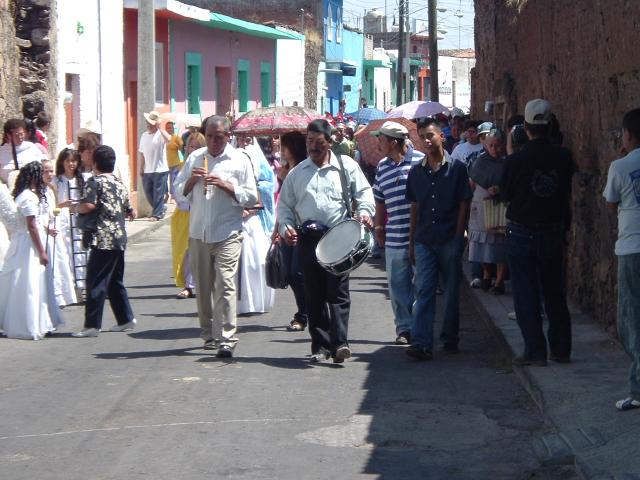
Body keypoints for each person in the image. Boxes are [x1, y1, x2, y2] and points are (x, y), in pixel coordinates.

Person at [277, 119, 375, 364]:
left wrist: (365, 212)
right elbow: (285, 208)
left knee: (339, 293)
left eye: (318, 143)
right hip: (308, 241)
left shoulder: (346, 167)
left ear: (329, 142)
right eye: (309, 142)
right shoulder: (297, 174)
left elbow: (364, 193)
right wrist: (286, 228)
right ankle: (320, 345)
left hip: (339, 239)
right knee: (314, 294)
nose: (313, 148)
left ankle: (340, 343)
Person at [174, 116, 258, 358]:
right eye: (209, 136)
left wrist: (226, 186)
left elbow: (252, 197)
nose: (213, 141)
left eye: (218, 136)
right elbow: (178, 192)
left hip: (227, 232)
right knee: (203, 288)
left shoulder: (239, 160)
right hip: (199, 232)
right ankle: (208, 333)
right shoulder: (194, 158)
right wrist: (191, 181)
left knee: (226, 283)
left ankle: (228, 337)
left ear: (228, 135)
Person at [500, 99, 574, 366]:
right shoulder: (564, 157)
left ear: (526, 127)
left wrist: (510, 152)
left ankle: (535, 350)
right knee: (554, 292)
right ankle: (561, 349)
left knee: (526, 293)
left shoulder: (516, 160)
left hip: (521, 232)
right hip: (552, 231)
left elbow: (505, 194)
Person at [405, 118, 472, 361]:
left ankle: (450, 338)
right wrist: (411, 241)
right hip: (424, 239)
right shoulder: (416, 172)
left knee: (452, 292)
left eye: (430, 135)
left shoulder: (456, 168)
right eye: (422, 136)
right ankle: (422, 342)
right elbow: (415, 207)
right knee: (424, 289)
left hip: (448, 238)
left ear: (441, 136)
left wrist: (459, 236)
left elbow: (464, 203)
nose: (426, 140)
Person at [71, 146, 137, 337]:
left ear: (96, 163)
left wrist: (76, 207)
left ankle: (92, 325)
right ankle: (125, 318)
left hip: (103, 237)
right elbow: (128, 209)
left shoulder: (95, 182)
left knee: (96, 280)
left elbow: (89, 205)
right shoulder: (118, 183)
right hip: (119, 237)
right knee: (114, 280)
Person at [372, 121, 424, 345]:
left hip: (421, 236)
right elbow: (379, 200)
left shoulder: (421, 161)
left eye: (381, 139)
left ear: (393, 142)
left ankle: (420, 326)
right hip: (394, 236)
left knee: (422, 284)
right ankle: (404, 328)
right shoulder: (382, 166)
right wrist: (379, 226)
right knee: (397, 285)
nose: (378, 144)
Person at [603, 108, 640, 411]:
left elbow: (612, 203)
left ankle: (637, 386)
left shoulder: (620, 166)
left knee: (630, 319)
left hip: (631, 247)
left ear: (628, 135)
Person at [0, 161, 63, 339]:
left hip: (25, 241)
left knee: (30, 282)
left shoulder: (26, 195)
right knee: (30, 282)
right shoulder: (28, 197)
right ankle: (29, 322)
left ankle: (38, 320)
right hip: (28, 245)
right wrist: (42, 251)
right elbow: (31, 226)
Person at [236, 136, 276, 315]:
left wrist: (249, 209)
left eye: (247, 139)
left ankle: (255, 301)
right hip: (234, 220)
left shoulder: (255, 157)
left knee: (256, 262)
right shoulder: (235, 155)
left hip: (252, 220)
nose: (244, 141)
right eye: (240, 138)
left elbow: (265, 191)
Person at [468, 129, 507, 294]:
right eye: (491, 145)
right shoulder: (480, 161)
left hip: (500, 206)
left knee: (500, 244)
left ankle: (499, 282)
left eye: (497, 146)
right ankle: (486, 272)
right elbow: (473, 179)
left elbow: (512, 181)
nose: (494, 149)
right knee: (479, 243)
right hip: (481, 206)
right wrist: (485, 189)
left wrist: (500, 189)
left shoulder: (507, 162)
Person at [277, 131, 309, 331]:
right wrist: (277, 229)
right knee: (289, 273)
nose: (280, 151)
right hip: (285, 226)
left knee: (297, 272)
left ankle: (304, 313)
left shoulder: (302, 171)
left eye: (284, 147)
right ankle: (304, 310)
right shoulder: (285, 170)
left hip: (302, 227)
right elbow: (282, 204)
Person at [172, 132, 205, 299]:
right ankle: (188, 285)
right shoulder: (183, 166)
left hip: (202, 213)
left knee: (200, 251)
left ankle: (200, 284)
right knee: (185, 251)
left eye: (197, 147)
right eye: (191, 146)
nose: (193, 150)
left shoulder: (207, 164)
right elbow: (177, 191)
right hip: (185, 214)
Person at [42, 159, 77, 307]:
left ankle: (60, 295)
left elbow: (54, 207)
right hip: (44, 230)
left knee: (59, 261)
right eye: (46, 171)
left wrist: (62, 206)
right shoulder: (37, 191)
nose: (49, 174)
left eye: (51, 171)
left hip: (54, 227)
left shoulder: (51, 189)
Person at [52, 148, 87, 293]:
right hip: (63, 218)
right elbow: (53, 202)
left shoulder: (82, 179)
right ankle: (69, 287)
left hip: (78, 217)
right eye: (68, 161)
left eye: (73, 161)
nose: (71, 164)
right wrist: (62, 204)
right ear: (62, 162)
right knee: (66, 250)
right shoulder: (57, 181)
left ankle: (81, 285)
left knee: (79, 249)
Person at [139, 110, 170, 220]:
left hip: (160, 170)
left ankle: (156, 214)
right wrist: (141, 167)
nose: (149, 125)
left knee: (158, 194)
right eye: (147, 123)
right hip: (148, 169)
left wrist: (160, 128)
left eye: (151, 124)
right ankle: (161, 209)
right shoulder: (144, 136)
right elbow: (142, 153)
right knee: (148, 192)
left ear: (156, 124)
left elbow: (169, 139)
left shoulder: (160, 135)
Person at [0, 118, 47, 184]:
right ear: (8, 135)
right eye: (16, 135)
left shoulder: (31, 148)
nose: (20, 137)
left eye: (21, 134)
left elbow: (44, 166)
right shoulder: (2, 152)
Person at [165, 121, 184, 200]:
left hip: (175, 163)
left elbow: (182, 147)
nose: (170, 129)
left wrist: (178, 145)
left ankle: (173, 196)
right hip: (165, 164)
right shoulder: (163, 137)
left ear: (173, 129)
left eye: (171, 128)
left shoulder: (176, 138)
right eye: (168, 128)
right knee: (164, 181)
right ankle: (166, 194)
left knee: (174, 180)